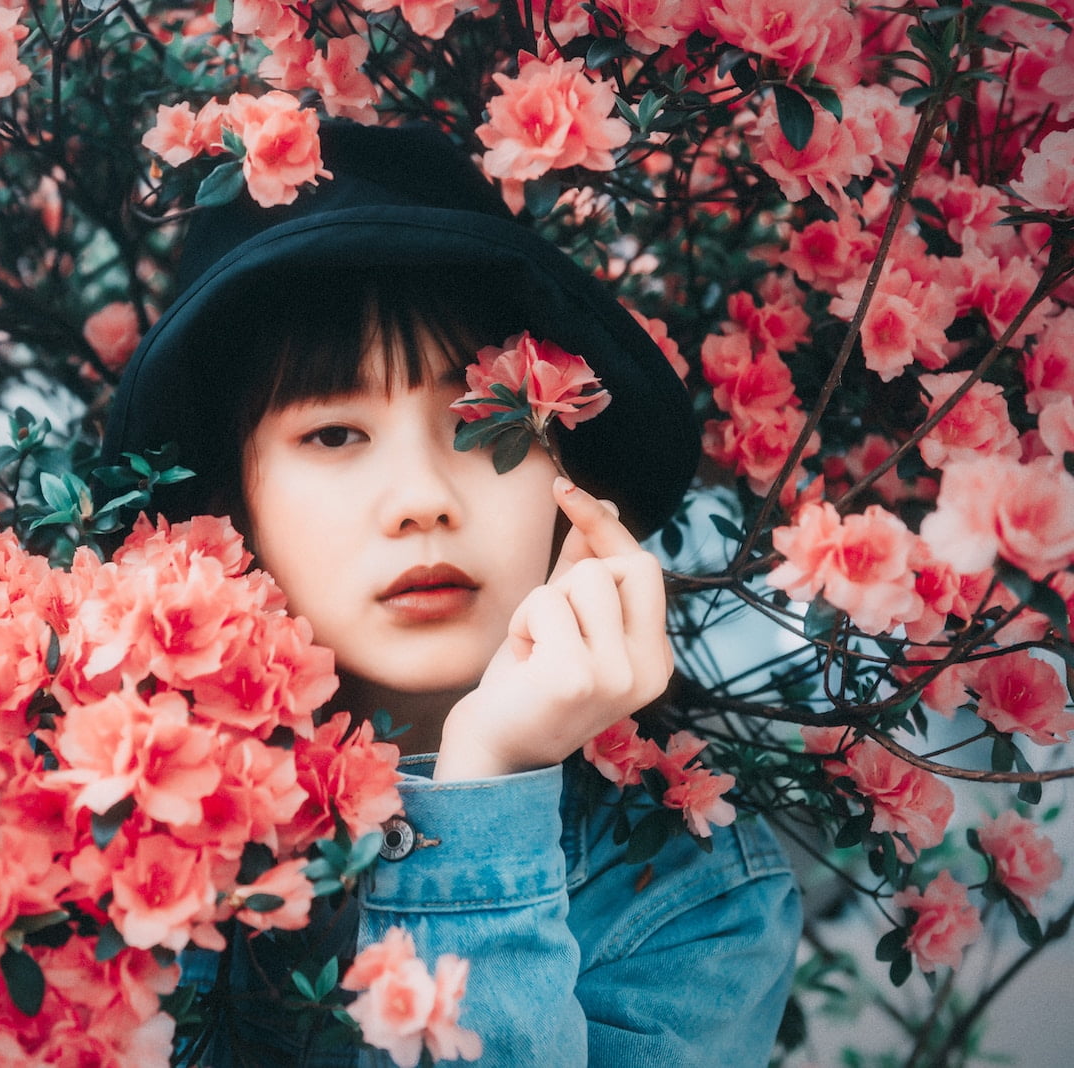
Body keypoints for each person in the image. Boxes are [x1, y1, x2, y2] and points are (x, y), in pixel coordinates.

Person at [102, 122, 802, 1066]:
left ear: (573, 485)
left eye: (486, 425)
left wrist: (488, 788)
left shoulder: (696, 894)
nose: (423, 500)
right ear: (232, 510)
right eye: (336, 435)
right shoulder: (116, 844)